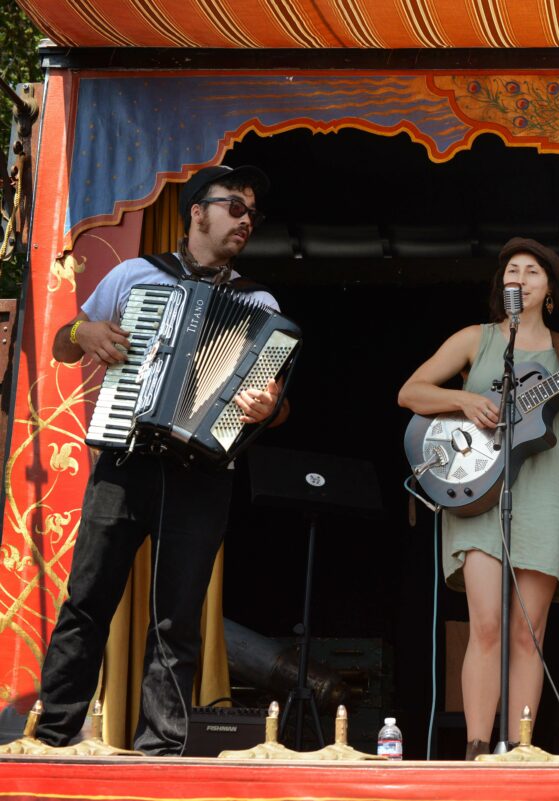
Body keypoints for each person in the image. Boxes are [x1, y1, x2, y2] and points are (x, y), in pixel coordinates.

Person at [37, 164, 289, 755]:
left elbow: (277, 405)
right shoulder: (135, 275)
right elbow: (61, 344)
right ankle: (51, 734)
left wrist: (265, 406)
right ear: (198, 210)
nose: (245, 221)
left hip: (202, 473)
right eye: (235, 207)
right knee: (88, 599)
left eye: (253, 214)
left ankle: (163, 749)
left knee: (177, 619)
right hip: (124, 460)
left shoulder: (259, 302)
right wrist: (85, 329)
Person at [397, 238, 559, 759]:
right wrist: (465, 399)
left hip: (542, 497)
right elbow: (411, 392)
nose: (521, 278)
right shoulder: (476, 339)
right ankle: (476, 747)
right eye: (513, 271)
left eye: (533, 271)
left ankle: (521, 752)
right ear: (502, 286)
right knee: (485, 625)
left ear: (548, 290)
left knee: (527, 635)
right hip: (478, 488)